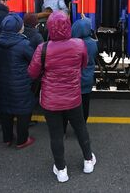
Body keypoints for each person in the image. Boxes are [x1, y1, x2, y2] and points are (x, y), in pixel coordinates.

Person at [28, 11, 96, 183]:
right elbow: (84, 64)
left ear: (50, 27)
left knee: (56, 135)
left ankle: (61, 170)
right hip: (73, 97)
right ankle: (88, 161)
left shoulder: (42, 48)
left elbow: (32, 73)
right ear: (68, 26)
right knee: (81, 129)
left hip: (50, 101)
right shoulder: (79, 44)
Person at [0, 14, 36, 148]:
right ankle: (22, 140)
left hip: (3, 82)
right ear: (18, 28)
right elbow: (34, 60)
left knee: (6, 109)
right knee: (23, 110)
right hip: (20, 83)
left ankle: (7, 138)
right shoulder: (23, 44)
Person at [71, 18, 98, 122]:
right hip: (88, 78)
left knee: (74, 104)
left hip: (75, 80)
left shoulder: (73, 44)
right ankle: (83, 123)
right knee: (85, 103)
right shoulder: (93, 44)